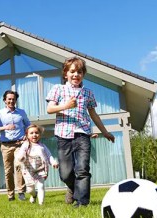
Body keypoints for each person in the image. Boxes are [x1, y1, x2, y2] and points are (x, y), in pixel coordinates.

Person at [46, 57, 115, 208]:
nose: (76, 74)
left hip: (83, 134)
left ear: (83, 74)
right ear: (66, 74)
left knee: (82, 169)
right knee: (65, 174)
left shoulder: (87, 93)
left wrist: (105, 132)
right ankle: (72, 187)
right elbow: (50, 109)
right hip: (63, 136)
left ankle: (82, 202)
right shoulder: (58, 89)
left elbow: (93, 114)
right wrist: (66, 105)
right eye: (72, 71)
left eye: (79, 72)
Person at [0, 90, 30, 201]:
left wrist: (27, 134)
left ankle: (21, 192)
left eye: (13, 99)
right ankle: (10, 194)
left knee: (19, 166)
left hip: (19, 144)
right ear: (5, 100)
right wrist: (4, 127)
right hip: (6, 146)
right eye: (9, 99)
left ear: (15, 100)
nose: (11, 101)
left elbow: (28, 125)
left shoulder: (21, 112)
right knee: (8, 171)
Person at [15, 124, 59, 205]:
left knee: (41, 186)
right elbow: (21, 153)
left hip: (41, 169)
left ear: (40, 135)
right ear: (27, 135)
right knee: (30, 189)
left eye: (36, 133)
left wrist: (53, 162)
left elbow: (49, 155)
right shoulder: (26, 145)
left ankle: (41, 204)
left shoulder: (42, 146)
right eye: (31, 133)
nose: (34, 135)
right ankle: (34, 195)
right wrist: (21, 157)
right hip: (28, 169)